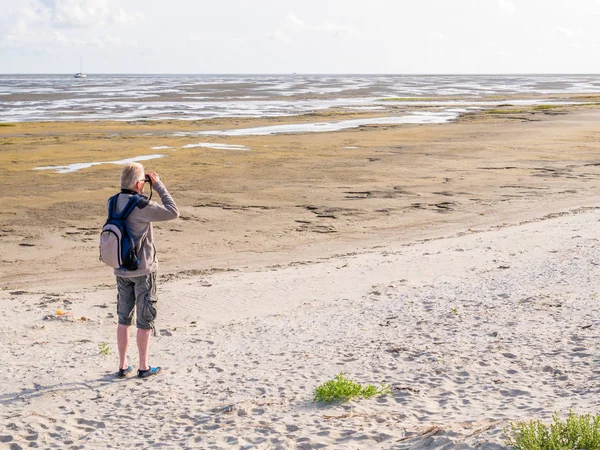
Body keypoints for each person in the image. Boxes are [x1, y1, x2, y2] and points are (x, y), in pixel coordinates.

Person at [110, 162, 179, 378]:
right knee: (144, 321)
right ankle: (143, 367)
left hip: (120, 269)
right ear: (140, 183)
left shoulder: (112, 202)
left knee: (123, 319)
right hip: (143, 271)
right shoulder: (142, 206)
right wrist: (158, 185)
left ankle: (122, 366)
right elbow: (173, 211)